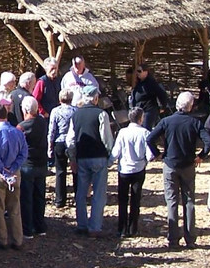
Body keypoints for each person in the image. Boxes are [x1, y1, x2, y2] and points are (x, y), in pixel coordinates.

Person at [147, 92, 210, 249]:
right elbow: (208, 141)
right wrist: (201, 156)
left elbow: (149, 139)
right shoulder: (194, 122)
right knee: (189, 201)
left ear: (177, 105)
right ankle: (190, 238)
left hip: (170, 164)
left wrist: (158, 154)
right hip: (188, 165)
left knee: (172, 201)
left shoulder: (166, 121)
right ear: (191, 106)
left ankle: (173, 239)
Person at [66, 85, 114, 236]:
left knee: (81, 192)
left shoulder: (75, 115)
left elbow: (70, 140)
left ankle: (81, 224)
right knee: (98, 193)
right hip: (98, 157)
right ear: (95, 98)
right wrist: (109, 153)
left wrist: (72, 157)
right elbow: (106, 138)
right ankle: (94, 227)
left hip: (82, 157)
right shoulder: (101, 114)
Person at [0, 102, 27, 249]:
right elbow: (24, 154)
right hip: (14, 173)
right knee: (14, 207)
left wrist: (3, 171)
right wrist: (13, 168)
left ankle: (2, 240)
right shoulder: (18, 132)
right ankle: (17, 240)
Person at [110, 107, 153, 238]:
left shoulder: (122, 132)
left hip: (124, 169)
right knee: (135, 199)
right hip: (139, 169)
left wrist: (109, 162)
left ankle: (122, 229)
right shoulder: (145, 133)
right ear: (140, 119)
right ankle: (133, 228)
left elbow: (116, 152)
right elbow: (150, 155)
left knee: (122, 199)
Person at [17, 95, 49, 239]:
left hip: (27, 165)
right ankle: (40, 226)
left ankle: (27, 229)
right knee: (40, 196)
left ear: (24, 110)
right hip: (41, 163)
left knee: (26, 198)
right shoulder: (42, 122)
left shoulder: (21, 127)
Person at [47, 88, 77, 208]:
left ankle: (60, 199)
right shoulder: (76, 111)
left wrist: (50, 145)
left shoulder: (55, 111)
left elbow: (52, 130)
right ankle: (78, 196)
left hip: (59, 141)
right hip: (73, 142)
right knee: (75, 170)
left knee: (60, 171)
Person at [128, 63, 170, 129]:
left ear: (146, 72)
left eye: (139, 71)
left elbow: (162, 94)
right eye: (137, 71)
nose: (137, 73)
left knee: (146, 129)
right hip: (139, 110)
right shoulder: (139, 82)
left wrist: (163, 107)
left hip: (148, 110)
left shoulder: (151, 83)